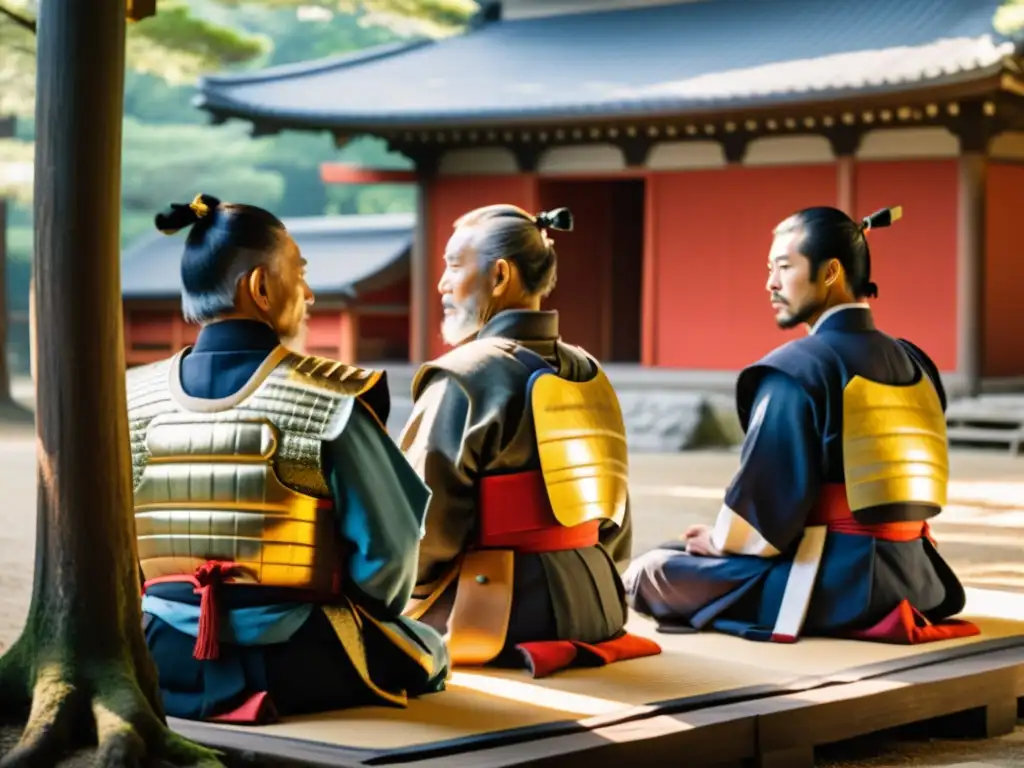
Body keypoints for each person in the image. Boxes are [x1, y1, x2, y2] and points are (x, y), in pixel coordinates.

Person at [127, 194, 448, 724]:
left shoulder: (131, 399)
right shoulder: (327, 399)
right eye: (299, 274)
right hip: (296, 656)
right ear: (260, 287)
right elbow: (387, 561)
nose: (309, 293)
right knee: (429, 650)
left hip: (159, 654)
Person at [624, 206, 979, 645]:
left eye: (784, 267)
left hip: (835, 585)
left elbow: (764, 514)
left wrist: (721, 541)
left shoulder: (799, 368)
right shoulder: (915, 360)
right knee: (683, 553)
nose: (770, 284)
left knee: (651, 571)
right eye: (770, 269)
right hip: (917, 577)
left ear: (830, 272)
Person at [398, 203, 660, 678]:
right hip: (600, 605)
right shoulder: (589, 370)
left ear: (499, 276)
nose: (441, 283)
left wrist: (397, 586)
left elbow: (420, 523)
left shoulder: (467, 376)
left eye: (454, 266)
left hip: (496, 614)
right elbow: (614, 521)